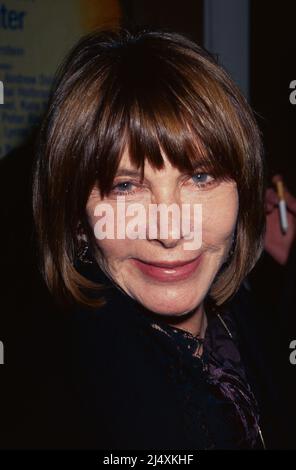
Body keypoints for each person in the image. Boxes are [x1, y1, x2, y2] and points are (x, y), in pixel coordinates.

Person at [31, 26, 279, 450]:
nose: (169, 231)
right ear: (76, 220)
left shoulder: (239, 317)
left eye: (200, 177)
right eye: (125, 187)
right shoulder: (100, 392)